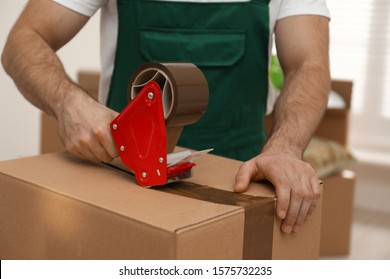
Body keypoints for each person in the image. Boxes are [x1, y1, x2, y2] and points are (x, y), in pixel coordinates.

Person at [1, 0, 331, 234]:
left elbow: (308, 64)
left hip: (244, 174)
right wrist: (68, 103)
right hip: (123, 176)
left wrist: (286, 147)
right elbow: (23, 40)